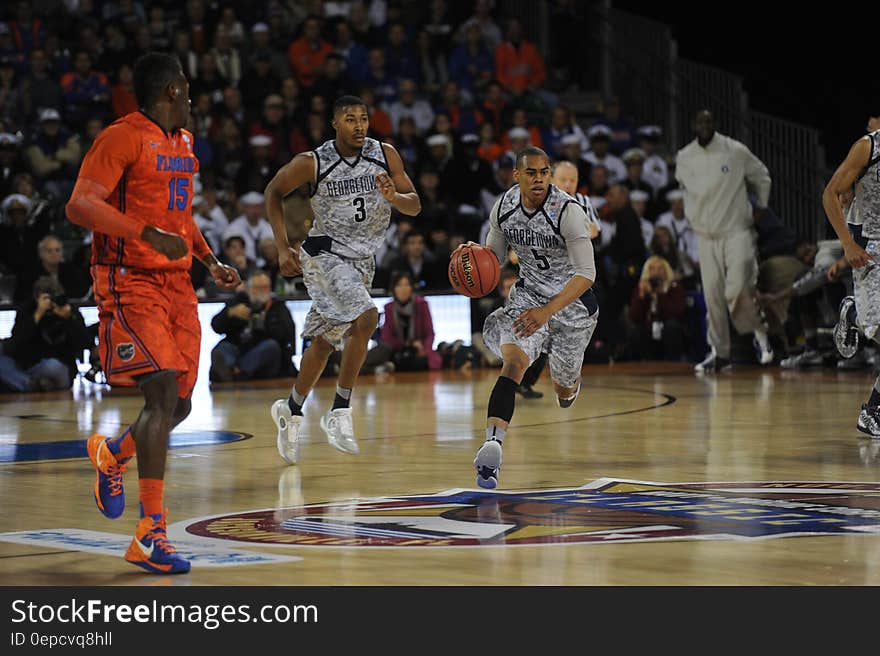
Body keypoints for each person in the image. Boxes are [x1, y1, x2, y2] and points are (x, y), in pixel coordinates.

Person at [65, 52, 241, 574]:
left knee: (180, 407)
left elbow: (179, 217)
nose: (192, 100)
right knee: (161, 391)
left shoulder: (184, 144)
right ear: (172, 90)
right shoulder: (122, 137)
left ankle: (113, 454)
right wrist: (144, 234)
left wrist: (209, 259)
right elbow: (80, 204)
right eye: (187, 90)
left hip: (178, 283)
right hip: (128, 279)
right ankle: (150, 534)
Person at [265, 95, 420, 465]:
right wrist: (283, 247)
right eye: (350, 119)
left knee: (323, 345)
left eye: (363, 118)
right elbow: (273, 191)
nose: (359, 125)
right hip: (324, 256)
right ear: (334, 123)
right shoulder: (313, 162)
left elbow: (415, 204)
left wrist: (394, 196)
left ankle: (291, 410)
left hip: (362, 263)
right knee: (367, 317)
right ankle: (340, 410)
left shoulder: (385, 154)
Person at [465, 146, 598, 488]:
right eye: (531, 173)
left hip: (573, 304)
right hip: (528, 297)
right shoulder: (505, 207)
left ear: (549, 175)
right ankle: (493, 445)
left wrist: (547, 313)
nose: (538, 179)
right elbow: (492, 260)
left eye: (543, 173)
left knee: (564, 390)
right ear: (517, 175)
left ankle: (568, 384)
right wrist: (473, 264)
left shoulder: (567, 211)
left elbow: (586, 274)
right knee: (513, 364)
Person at [675, 109, 774, 372]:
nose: (704, 125)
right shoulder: (684, 157)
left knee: (737, 288)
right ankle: (720, 353)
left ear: (715, 123)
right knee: (713, 298)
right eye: (700, 121)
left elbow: (762, 175)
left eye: (709, 120)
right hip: (705, 237)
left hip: (736, 231)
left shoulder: (735, 150)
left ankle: (760, 334)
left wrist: (761, 205)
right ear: (693, 124)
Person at [822, 115, 880, 437]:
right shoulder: (868, 148)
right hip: (869, 246)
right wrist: (846, 245)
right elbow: (831, 194)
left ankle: (873, 411)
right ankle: (855, 313)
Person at [0, 276, 91, 392]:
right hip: (28, 365)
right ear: (36, 297)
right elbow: (14, 344)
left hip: (58, 366)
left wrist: (69, 320)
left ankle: (28, 383)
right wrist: (37, 316)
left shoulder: (68, 310)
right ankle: (30, 383)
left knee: (53, 367)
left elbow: (86, 344)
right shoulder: (27, 310)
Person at [209, 271, 297, 382]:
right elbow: (216, 326)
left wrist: (265, 323)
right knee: (222, 348)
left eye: (265, 287)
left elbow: (286, 335)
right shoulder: (239, 301)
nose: (262, 291)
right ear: (248, 289)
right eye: (257, 287)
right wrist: (229, 313)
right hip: (239, 348)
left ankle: (237, 371)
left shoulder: (277, 307)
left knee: (271, 347)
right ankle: (229, 370)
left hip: (263, 351)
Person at [626, 256, 687, 361]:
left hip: (668, 328)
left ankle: (672, 362)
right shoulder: (641, 288)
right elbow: (634, 317)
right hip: (648, 329)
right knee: (635, 332)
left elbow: (678, 313)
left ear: (666, 271)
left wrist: (660, 295)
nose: (656, 272)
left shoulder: (675, 287)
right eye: (652, 269)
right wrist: (642, 296)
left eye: (660, 269)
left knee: (672, 327)